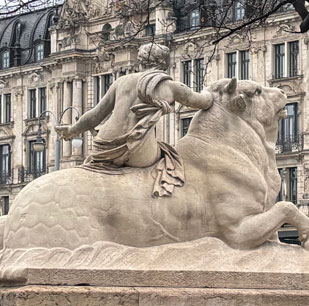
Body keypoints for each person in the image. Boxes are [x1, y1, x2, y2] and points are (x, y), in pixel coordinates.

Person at [54, 42, 212, 196]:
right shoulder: (171, 86)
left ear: (141, 62)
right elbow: (203, 102)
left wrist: (72, 130)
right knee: (170, 158)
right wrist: (211, 90)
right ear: (165, 63)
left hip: (105, 145)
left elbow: (95, 115)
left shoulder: (121, 81)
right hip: (138, 147)